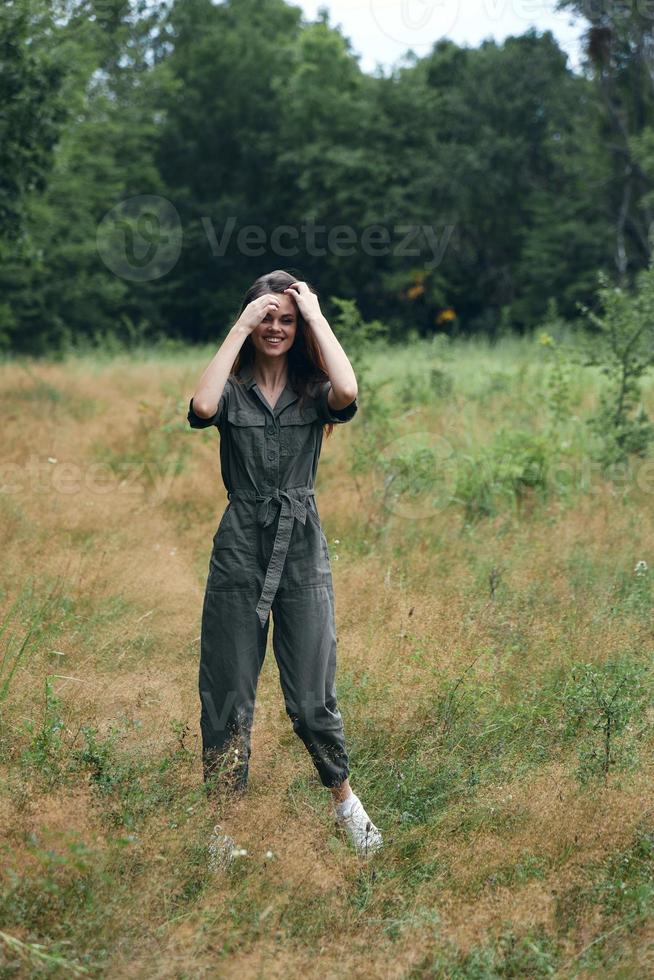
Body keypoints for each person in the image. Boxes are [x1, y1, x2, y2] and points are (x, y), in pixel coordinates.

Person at [187, 269, 383, 859]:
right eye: (265, 318)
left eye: (285, 320)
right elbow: (202, 405)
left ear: (300, 329)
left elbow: (347, 390)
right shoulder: (234, 387)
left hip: (302, 547)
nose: (275, 328)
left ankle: (348, 809)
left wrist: (316, 315)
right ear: (250, 323)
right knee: (227, 691)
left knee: (310, 697)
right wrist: (243, 322)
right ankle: (223, 833)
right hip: (241, 544)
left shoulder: (311, 391)